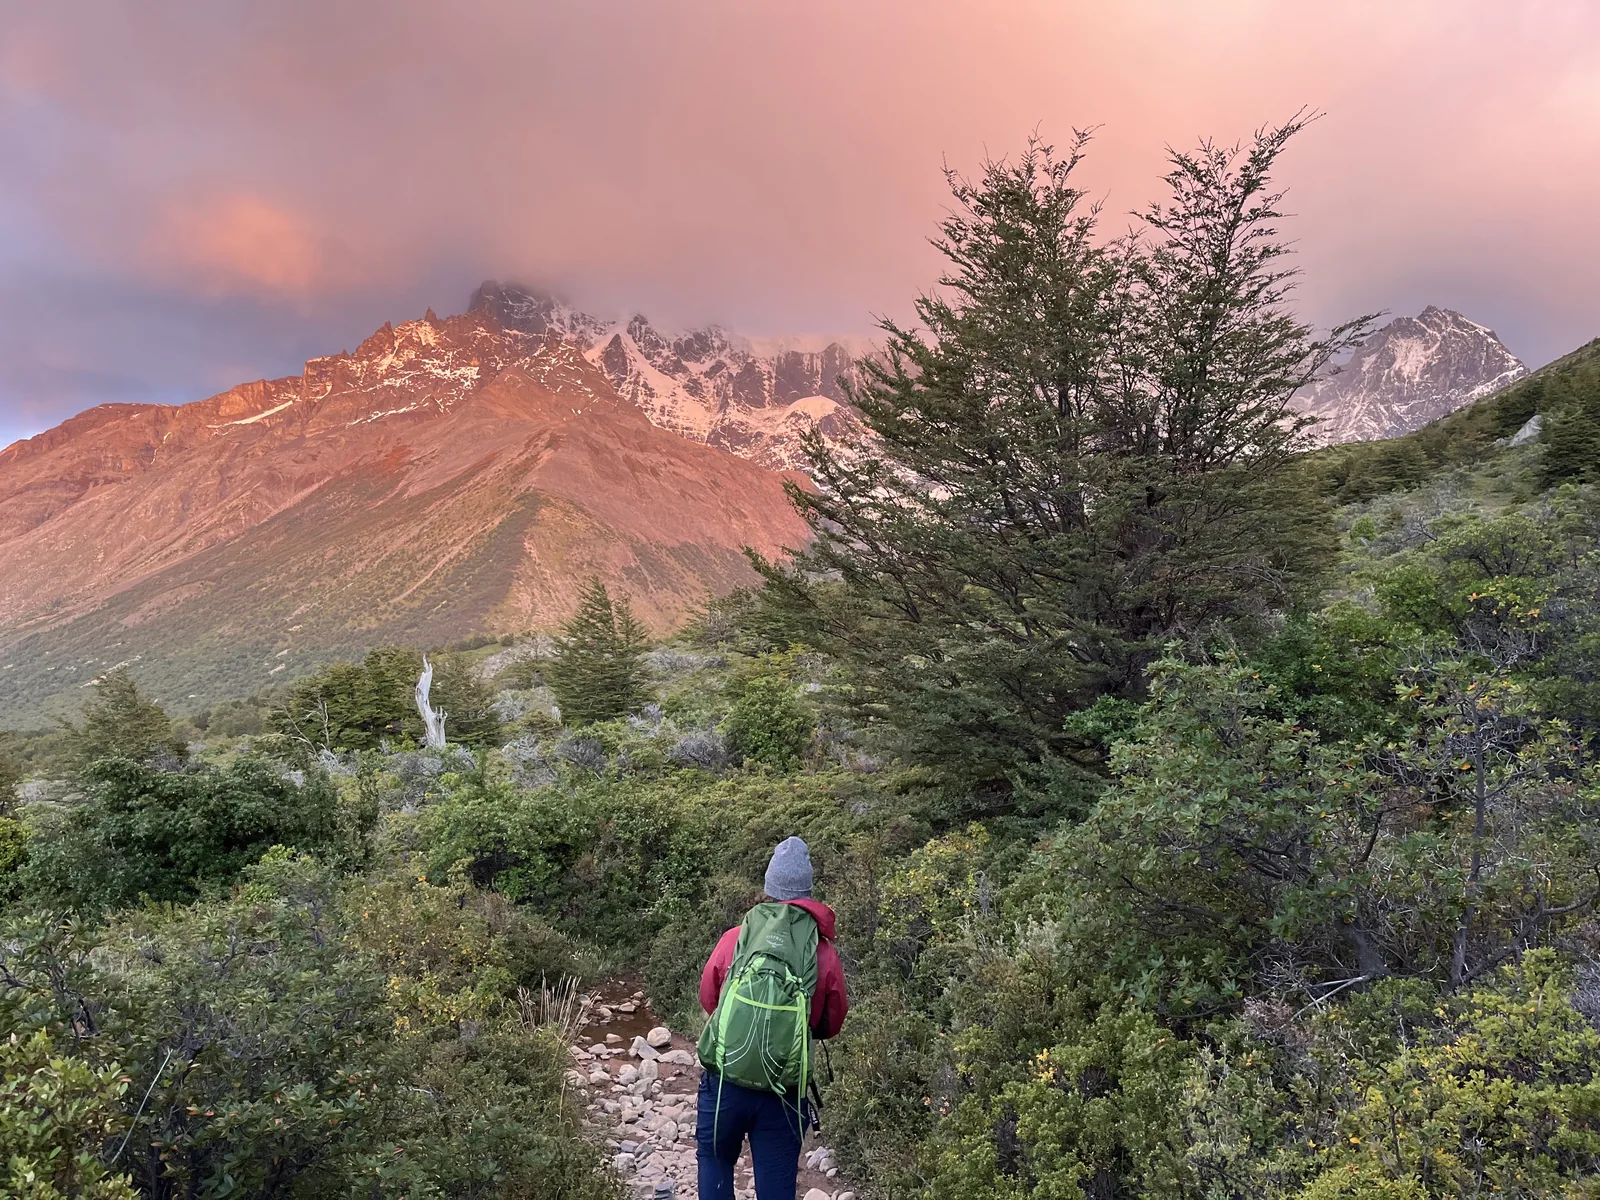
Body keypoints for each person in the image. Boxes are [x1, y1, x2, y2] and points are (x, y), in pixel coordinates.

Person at [696, 836, 849, 1200]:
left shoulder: (736, 937)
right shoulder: (822, 952)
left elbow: (708, 998)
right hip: (784, 1090)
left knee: (715, 1160)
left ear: (769, 885)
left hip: (726, 1082)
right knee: (776, 1184)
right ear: (808, 890)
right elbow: (833, 1022)